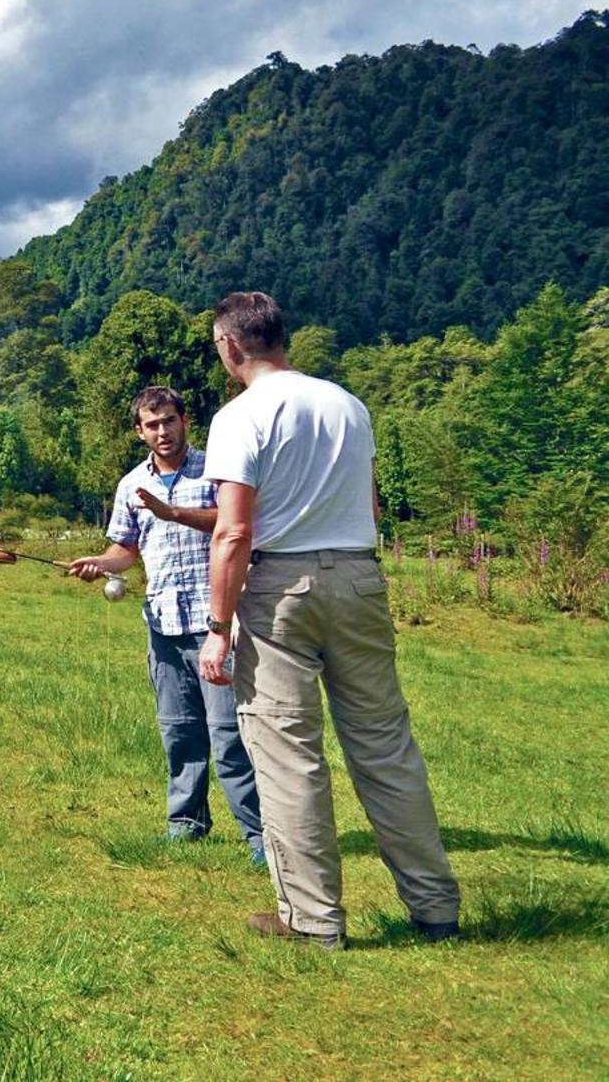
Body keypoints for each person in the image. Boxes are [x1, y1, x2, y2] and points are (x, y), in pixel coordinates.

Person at [198, 291, 460, 950]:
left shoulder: (238, 417)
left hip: (282, 586)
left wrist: (217, 625)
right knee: (384, 746)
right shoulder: (349, 405)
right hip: (360, 575)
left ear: (231, 347)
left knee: (289, 757)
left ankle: (313, 921)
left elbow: (232, 533)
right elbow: (366, 504)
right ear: (280, 337)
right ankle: (434, 907)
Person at [67, 386, 264, 863]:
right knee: (179, 731)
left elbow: (235, 523)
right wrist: (101, 562)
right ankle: (186, 823)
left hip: (218, 623)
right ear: (140, 432)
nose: (162, 432)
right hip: (164, 624)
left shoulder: (216, 469)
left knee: (228, 735)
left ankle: (259, 837)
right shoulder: (131, 485)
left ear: (184, 422)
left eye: (169, 422)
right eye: (152, 425)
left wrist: (171, 512)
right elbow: (124, 550)